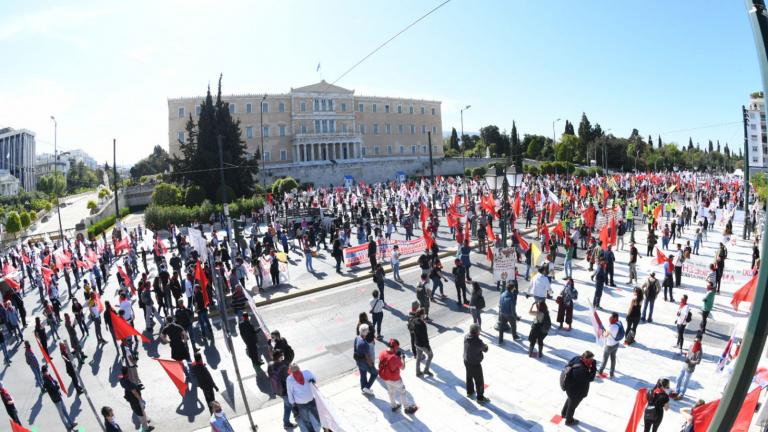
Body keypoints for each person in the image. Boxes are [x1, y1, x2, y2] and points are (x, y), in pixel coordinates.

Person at [378, 338, 418, 414]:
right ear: (395, 347)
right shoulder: (395, 358)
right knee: (402, 392)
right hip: (395, 379)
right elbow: (402, 367)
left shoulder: (382, 353)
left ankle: (394, 406)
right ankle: (407, 408)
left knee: (391, 392)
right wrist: (402, 358)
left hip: (385, 378)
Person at [560, 351, 597, 426]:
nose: (592, 360)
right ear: (586, 359)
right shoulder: (582, 370)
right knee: (572, 406)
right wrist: (593, 367)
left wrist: (590, 364)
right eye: (591, 359)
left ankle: (564, 413)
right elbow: (591, 378)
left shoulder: (577, 358)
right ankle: (569, 421)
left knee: (570, 400)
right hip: (576, 391)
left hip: (570, 387)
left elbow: (569, 364)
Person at [286, 363, 322, 431]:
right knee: (315, 419)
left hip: (304, 403)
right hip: (307, 402)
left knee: (311, 420)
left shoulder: (291, 378)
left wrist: (293, 404)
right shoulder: (305, 373)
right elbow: (314, 379)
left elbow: (289, 393)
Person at [42, 364, 78, 431]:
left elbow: (54, 382)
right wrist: (56, 386)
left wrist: (55, 383)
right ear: (44, 372)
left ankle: (71, 423)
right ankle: (67, 426)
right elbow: (51, 387)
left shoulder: (48, 376)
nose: (47, 372)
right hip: (56, 399)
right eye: (46, 371)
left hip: (58, 396)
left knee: (65, 411)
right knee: (61, 414)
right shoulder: (45, 380)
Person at [268, 349, 297, 429]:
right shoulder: (283, 367)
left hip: (278, 391)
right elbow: (288, 381)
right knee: (294, 407)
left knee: (287, 406)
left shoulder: (270, 365)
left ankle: (286, 422)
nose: (283, 357)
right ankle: (296, 422)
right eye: (282, 356)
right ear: (280, 357)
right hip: (286, 392)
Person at [119, 365, 153, 431]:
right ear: (127, 373)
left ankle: (146, 420)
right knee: (141, 413)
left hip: (131, 399)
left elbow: (121, 376)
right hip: (135, 400)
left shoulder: (121, 378)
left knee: (141, 412)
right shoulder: (128, 382)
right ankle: (146, 428)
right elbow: (134, 392)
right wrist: (140, 399)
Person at [670, 335, 702, 400]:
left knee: (685, 381)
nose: (695, 342)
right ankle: (677, 390)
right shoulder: (691, 345)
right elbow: (688, 352)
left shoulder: (699, 350)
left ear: (700, 341)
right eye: (694, 340)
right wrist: (686, 354)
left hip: (690, 367)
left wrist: (690, 361)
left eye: (697, 341)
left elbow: (698, 362)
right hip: (685, 364)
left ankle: (681, 394)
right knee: (679, 378)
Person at [464, 323, 490, 403]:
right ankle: (480, 398)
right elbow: (485, 349)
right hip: (475, 364)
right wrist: (485, 345)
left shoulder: (466, 336)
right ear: (477, 332)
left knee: (469, 376)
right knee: (479, 381)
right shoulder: (478, 341)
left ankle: (470, 391)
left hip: (466, 360)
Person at [354, 324, 377, 395]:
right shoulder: (365, 344)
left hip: (358, 361)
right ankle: (367, 387)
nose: (368, 332)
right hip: (364, 362)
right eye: (367, 331)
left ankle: (363, 388)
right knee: (375, 373)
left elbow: (355, 349)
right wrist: (371, 365)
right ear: (366, 332)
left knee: (363, 374)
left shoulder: (357, 338)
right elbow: (368, 357)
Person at [598, 312, 622, 378]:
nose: (610, 318)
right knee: (613, 358)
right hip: (616, 344)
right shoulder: (619, 323)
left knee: (605, 359)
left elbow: (605, 335)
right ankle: (611, 373)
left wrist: (603, 333)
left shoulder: (612, 327)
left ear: (615, 318)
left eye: (611, 317)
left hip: (609, 346)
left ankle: (600, 371)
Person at [412, 308, 433, 377]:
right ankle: (426, 370)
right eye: (423, 314)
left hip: (416, 342)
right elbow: (425, 337)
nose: (424, 315)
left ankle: (418, 372)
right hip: (422, 344)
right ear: (421, 315)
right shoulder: (422, 324)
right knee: (430, 355)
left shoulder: (414, 320)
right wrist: (428, 346)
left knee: (418, 357)